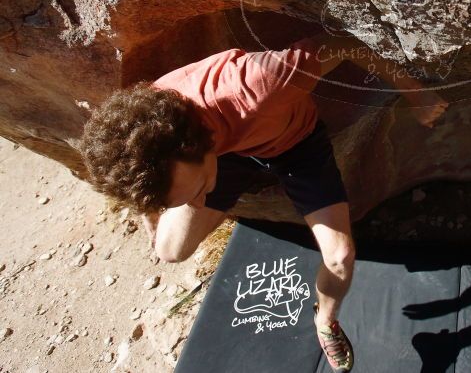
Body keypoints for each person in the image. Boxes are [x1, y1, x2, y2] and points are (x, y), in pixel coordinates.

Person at [77, 31, 448, 373]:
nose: (203, 202)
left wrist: (415, 94)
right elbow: (143, 168)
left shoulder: (257, 84)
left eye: (197, 192)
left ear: (191, 146)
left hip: (294, 145)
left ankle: (326, 321)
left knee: (340, 257)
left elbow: (344, 42)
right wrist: (156, 206)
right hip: (225, 158)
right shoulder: (151, 135)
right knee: (171, 251)